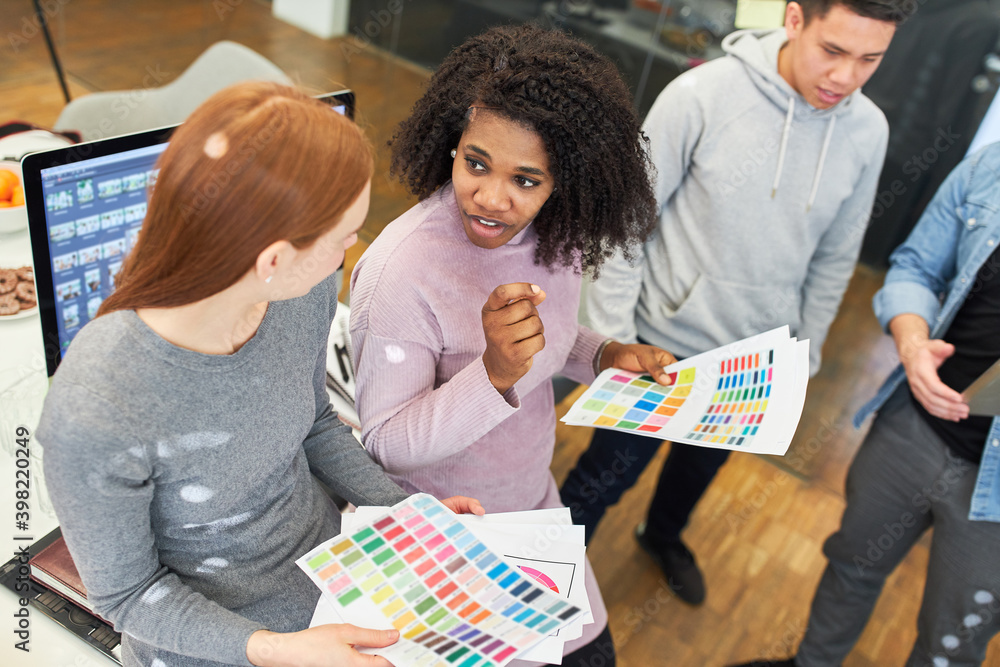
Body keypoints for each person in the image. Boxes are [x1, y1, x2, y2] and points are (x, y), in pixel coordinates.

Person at [37, 81, 482, 667]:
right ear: (273, 260)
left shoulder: (303, 289)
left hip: (339, 582)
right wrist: (280, 651)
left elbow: (311, 418)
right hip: (217, 646)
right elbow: (128, 594)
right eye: (345, 237)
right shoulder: (95, 409)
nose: (353, 248)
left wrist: (398, 512)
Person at [560, 0, 915, 606]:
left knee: (696, 475)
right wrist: (615, 340)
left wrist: (804, 356)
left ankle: (663, 537)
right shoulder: (701, 95)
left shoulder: (868, 130)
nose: (845, 77)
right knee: (600, 481)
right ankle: (545, 579)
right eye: (833, 51)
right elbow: (623, 227)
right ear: (796, 18)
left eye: (868, 60)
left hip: (753, 362)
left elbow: (834, 258)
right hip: (655, 349)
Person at [349, 24, 674, 665]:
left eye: (527, 180)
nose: (491, 198)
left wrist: (603, 355)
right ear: (455, 139)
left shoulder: (559, 237)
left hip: (530, 509)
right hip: (439, 539)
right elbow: (384, 444)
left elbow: (545, 345)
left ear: (564, 180)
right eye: (476, 163)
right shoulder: (400, 271)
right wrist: (493, 376)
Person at [728, 142, 1000, 667]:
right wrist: (913, 343)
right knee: (852, 564)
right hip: (912, 426)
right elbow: (917, 266)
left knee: (954, 638)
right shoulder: (990, 167)